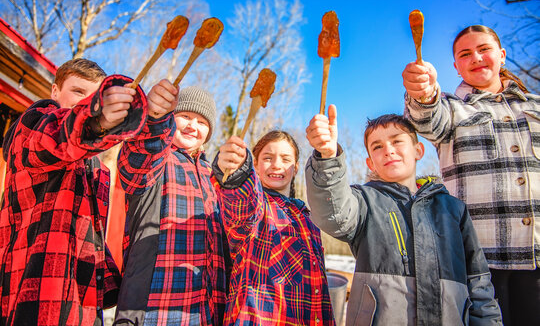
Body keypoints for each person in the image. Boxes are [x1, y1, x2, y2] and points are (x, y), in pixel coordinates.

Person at [305, 109, 502, 325]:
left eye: (397, 141)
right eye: (377, 146)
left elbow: (479, 283)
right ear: (371, 163)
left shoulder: (453, 210)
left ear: (418, 150)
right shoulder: (363, 201)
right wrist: (327, 158)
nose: (388, 150)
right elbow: (333, 214)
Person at [402, 25, 540, 325]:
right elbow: (427, 117)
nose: (476, 57)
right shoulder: (452, 109)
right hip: (480, 264)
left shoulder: (536, 107)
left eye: (484, 49)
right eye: (465, 54)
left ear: (501, 55)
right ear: (456, 65)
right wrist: (422, 93)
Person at [0, 58, 148, 325]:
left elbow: (89, 238)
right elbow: (60, 133)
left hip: (83, 304)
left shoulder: (99, 168)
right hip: (34, 295)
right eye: (78, 92)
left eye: (92, 96)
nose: (85, 101)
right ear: (55, 91)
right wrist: (97, 117)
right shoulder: (32, 125)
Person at [114, 84, 230, 326]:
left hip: (210, 310)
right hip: (156, 308)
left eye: (202, 122)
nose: (193, 126)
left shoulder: (215, 177)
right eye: (185, 116)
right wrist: (153, 120)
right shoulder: (156, 159)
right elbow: (138, 159)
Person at [212, 130, 335, 326]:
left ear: (295, 168)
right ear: (256, 167)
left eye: (286, 159)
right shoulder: (258, 208)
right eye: (268, 158)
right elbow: (241, 205)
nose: (277, 164)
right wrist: (237, 175)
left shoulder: (309, 219)